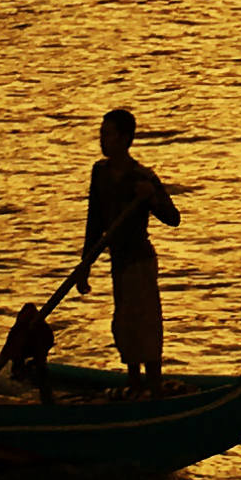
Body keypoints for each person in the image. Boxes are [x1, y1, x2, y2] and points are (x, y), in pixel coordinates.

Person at [77, 107, 182, 384]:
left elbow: (173, 218)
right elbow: (94, 221)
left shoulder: (142, 177)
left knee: (145, 325)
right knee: (124, 327)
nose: (102, 140)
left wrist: (152, 199)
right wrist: (84, 266)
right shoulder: (99, 172)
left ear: (124, 139)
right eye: (101, 134)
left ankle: (154, 386)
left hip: (139, 262)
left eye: (108, 135)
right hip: (119, 262)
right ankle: (135, 384)